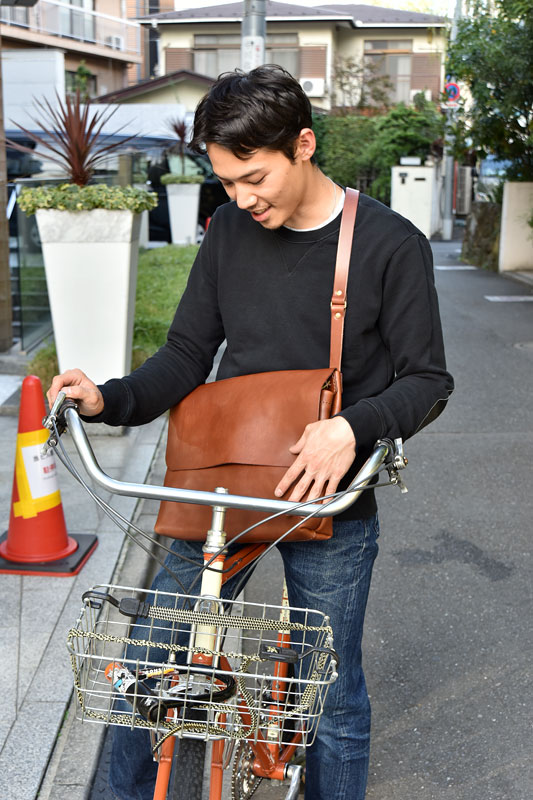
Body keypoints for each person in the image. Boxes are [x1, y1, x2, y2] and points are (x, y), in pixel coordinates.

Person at [48, 65, 453, 800]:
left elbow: (427, 381)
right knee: (145, 667)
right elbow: (184, 356)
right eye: (226, 183)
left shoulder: (389, 244)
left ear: (304, 144)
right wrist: (108, 399)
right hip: (220, 487)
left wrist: (350, 428)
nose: (240, 199)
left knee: (329, 692)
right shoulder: (230, 231)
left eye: (254, 178)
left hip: (330, 497)